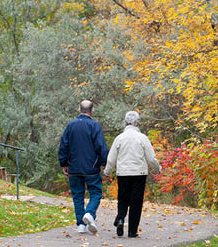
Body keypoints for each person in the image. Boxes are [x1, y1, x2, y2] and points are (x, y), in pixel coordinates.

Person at [104, 111, 161, 237]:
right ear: (137, 123)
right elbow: (151, 158)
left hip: (123, 173)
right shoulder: (143, 138)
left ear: (125, 123)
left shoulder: (119, 138)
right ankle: (132, 230)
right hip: (139, 174)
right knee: (136, 202)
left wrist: (107, 172)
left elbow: (111, 158)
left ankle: (120, 219)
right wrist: (157, 169)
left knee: (123, 199)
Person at [58, 100, 109, 234]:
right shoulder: (95, 126)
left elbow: (63, 146)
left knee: (78, 196)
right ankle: (90, 213)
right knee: (96, 193)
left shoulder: (71, 126)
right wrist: (104, 163)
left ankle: (81, 224)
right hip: (91, 168)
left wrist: (64, 163)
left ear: (79, 110)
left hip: (74, 167)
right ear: (92, 112)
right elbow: (101, 147)